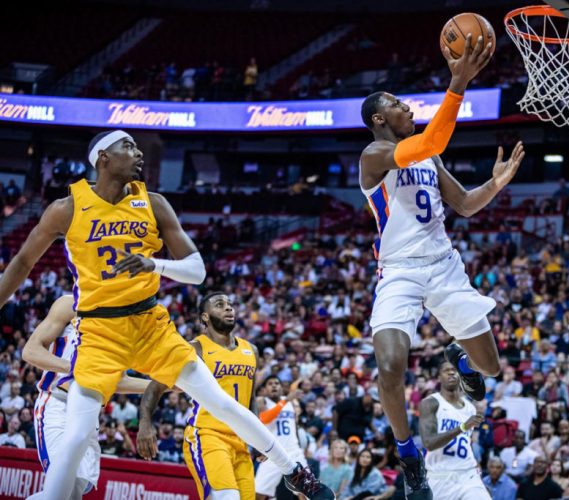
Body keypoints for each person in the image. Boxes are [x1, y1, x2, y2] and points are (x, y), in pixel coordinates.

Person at [0, 130, 332, 500]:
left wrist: (154, 264)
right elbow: (23, 261)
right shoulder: (66, 208)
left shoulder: (154, 203)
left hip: (150, 325)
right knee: (76, 437)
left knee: (221, 403)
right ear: (103, 158)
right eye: (128, 146)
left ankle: (295, 472)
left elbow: (197, 270)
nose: (139, 153)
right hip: (100, 332)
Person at [358, 31, 517, 499]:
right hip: (400, 270)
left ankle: (461, 360)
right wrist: (457, 83)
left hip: (444, 264)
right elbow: (428, 142)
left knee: (490, 369)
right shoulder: (374, 156)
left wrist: (495, 184)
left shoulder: (430, 156)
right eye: (398, 105)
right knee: (390, 364)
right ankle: (408, 455)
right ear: (380, 119)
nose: (408, 108)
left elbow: (464, 204)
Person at [23, 294, 149, 500]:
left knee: (74, 490)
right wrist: (75, 369)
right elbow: (30, 351)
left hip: (89, 414)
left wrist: (164, 386)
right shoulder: (70, 304)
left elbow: (118, 381)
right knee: (66, 486)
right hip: (57, 404)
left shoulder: (122, 323)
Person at [137, 292, 261, 500]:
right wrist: (145, 423)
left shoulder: (252, 350)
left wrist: (258, 436)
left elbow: (251, 398)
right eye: (220, 305)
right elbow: (155, 387)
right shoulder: (193, 349)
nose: (228, 308)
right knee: (227, 497)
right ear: (205, 317)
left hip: (241, 441)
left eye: (230, 304)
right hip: (207, 435)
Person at [419, 361, 488, 500]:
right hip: (440, 476)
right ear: (439, 377)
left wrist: (476, 463)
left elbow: (465, 442)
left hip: (468, 474)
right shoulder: (431, 403)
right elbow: (429, 443)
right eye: (447, 370)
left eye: (455, 370)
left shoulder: (470, 408)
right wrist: (462, 427)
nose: (451, 372)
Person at [255, 376, 312, 500]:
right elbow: (265, 418)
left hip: (293, 451)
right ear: (264, 389)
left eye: (276, 383)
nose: (274, 385)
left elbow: (294, 427)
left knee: (306, 492)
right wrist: (285, 400)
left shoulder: (290, 402)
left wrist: (302, 447)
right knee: (258, 494)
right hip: (273, 453)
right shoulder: (262, 401)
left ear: (281, 387)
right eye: (270, 383)